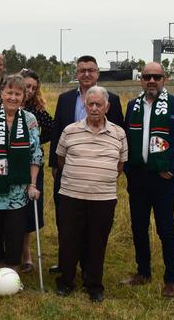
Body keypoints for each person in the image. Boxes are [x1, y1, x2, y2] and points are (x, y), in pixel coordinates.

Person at [122, 62, 174, 298]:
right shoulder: (133, 106)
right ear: (141, 80)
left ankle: (171, 279)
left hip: (163, 178)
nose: (151, 81)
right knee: (138, 226)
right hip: (138, 176)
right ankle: (143, 272)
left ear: (165, 79)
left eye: (156, 77)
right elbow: (126, 139)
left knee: (165, 229)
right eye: (147, 77)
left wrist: (173, 169)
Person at [48, 55, 123, 274]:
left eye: (91, 70)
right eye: (82, 70)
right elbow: (56, 132)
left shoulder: (113, 99)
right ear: (76, 74)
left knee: (94, 224)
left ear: (98, 73)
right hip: (69, 171)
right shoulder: (65, 99)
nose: (86, 74)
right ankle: (67, 263)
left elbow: (119, 138)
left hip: (98, 175)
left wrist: (110, 171)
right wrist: (55, 164)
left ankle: (89, 266)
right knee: (67, 221)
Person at [54, 86, 127, 303]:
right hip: (71, 195)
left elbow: (120, 166)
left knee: (97, 242)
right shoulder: (70, 131)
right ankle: (66, 282)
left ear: (107, 107)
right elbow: (61, 159)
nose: (94, 108)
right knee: (68, 240)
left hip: (103, 198)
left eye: (99, 104)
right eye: (90, 104)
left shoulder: (119, 133)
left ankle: (94, 285)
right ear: (85, 105)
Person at [0, 74, 42, 269]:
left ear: (24, 96)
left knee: (15, 230)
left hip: (19, 190)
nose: (13, 97)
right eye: (9, 92)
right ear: (1, 93)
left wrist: (33, 184)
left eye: (18, 93)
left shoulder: (30, 120)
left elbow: (36, 153)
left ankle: (13, 268)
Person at [19, 68, 52, 273]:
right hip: (7, 163)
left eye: (33, 87)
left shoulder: (36, 111)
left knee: (28, 209)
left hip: (32, 164)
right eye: (26, 86)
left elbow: (52, 127)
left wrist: (35, 142)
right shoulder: (2, 103)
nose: (29, 90)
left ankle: (27, 254)